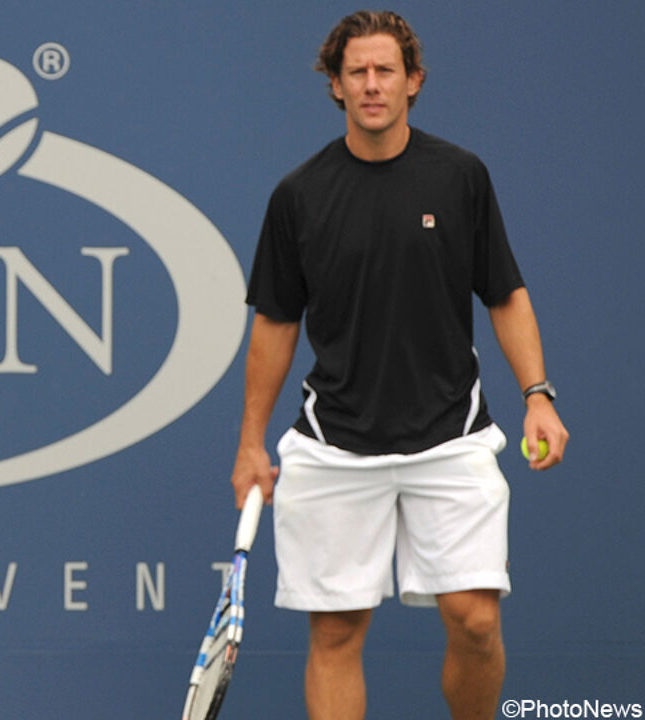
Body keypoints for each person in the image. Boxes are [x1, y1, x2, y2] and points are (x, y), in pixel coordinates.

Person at [231, 10, 569, 719]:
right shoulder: (298, 196)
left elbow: (505, 294)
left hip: (451, 437)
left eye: (386, 71)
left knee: (476, 620)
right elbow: (274, 323)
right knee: (336, 631)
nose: (372, 84)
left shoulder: (460, 177)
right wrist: (251, 443)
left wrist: (537, 394)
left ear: (413, 81)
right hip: (335, 445)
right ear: (335, 85)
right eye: (356, 72)